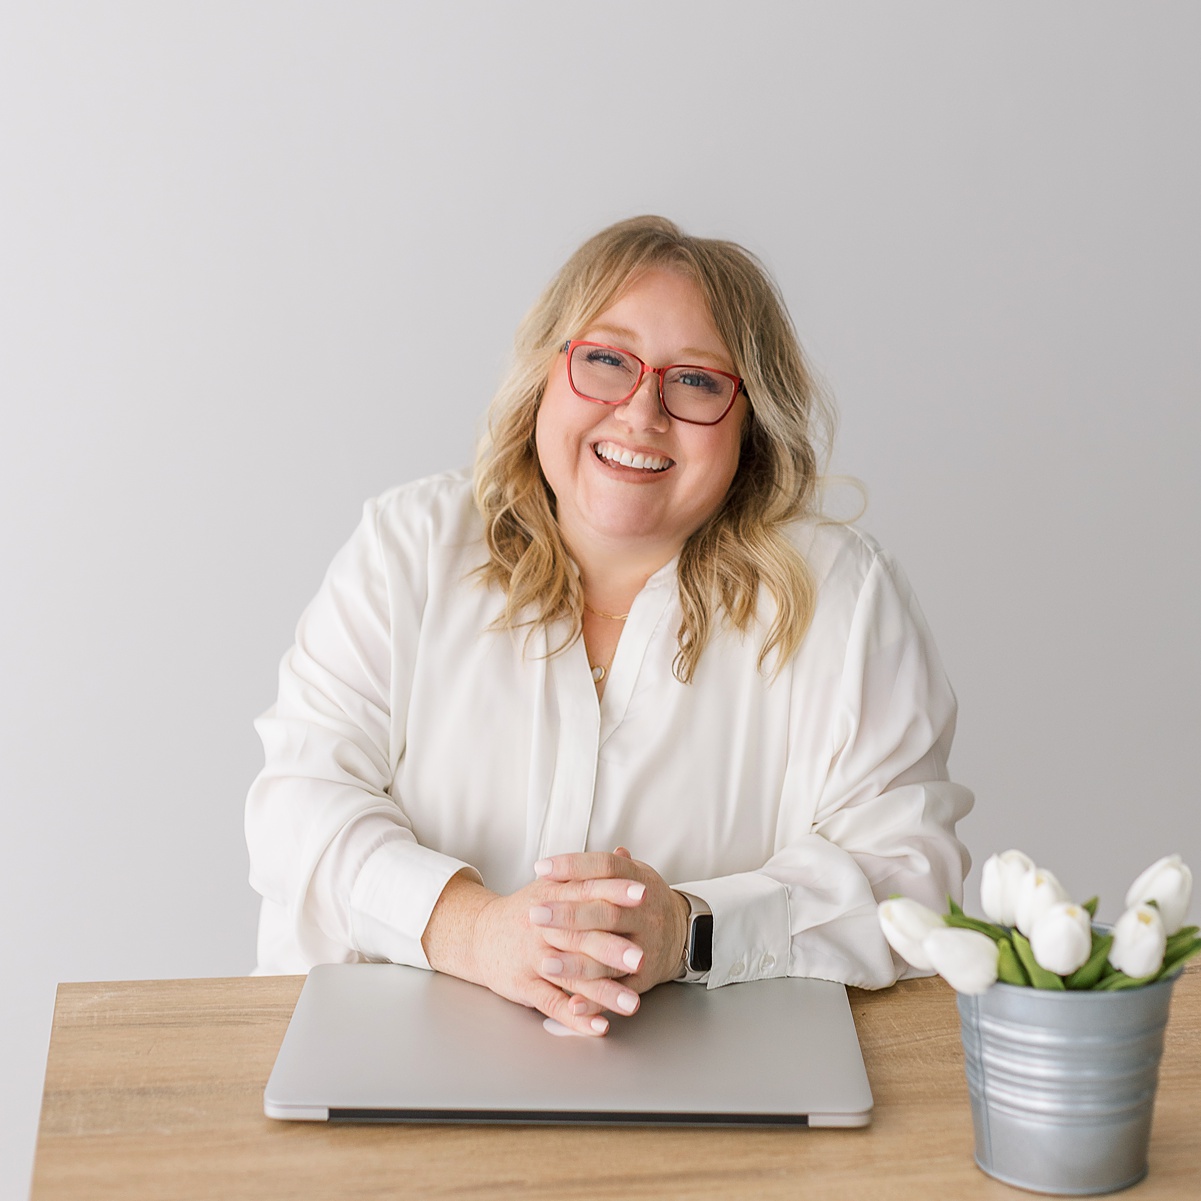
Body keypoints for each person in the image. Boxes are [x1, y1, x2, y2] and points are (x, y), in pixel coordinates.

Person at [244, 215, 973, 1037]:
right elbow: (295, 807)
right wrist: (474, 930)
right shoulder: (406, 548)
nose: (640, 412)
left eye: (695, 381)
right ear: (545, 376)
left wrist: (686, 932)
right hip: (388, 1057)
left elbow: (908, 880)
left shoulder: (844, 595)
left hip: (720, 1087)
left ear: (749, 423)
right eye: (604, 359)